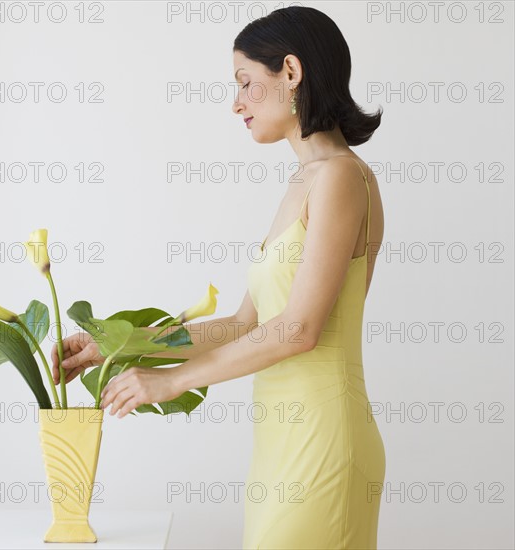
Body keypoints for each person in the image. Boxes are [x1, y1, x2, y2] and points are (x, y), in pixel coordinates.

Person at [52, 6, 386, 549]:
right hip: (283, 440)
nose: (236, 104)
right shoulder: (305, 183)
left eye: (246, 83)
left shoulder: (343, 179)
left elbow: (299, 329)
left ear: (292, 73)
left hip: (325, 439)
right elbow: (239, 325)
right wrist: (115, 344)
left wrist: (170, 383)